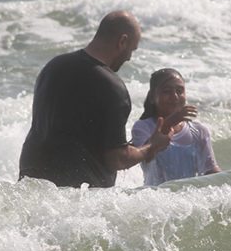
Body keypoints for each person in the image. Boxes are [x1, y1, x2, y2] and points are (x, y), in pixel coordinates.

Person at [19, 11, 177, 188]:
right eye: (131, 49)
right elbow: (117, 159)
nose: (129, 57)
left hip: (31, 183)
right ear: (122, 41)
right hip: (77, 196)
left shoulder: (53, 67)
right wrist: (151, 147)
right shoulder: (112, 87)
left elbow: (68, 132)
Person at [131, 68, 220, 186]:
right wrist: (169, 123)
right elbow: (145, 156)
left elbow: (210, 171)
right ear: (152, 97)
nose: (175, 96)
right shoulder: (142, 127)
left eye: (179, 91)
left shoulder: (199, 130)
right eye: (167, 91)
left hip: (187, 199)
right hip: (154, 199)